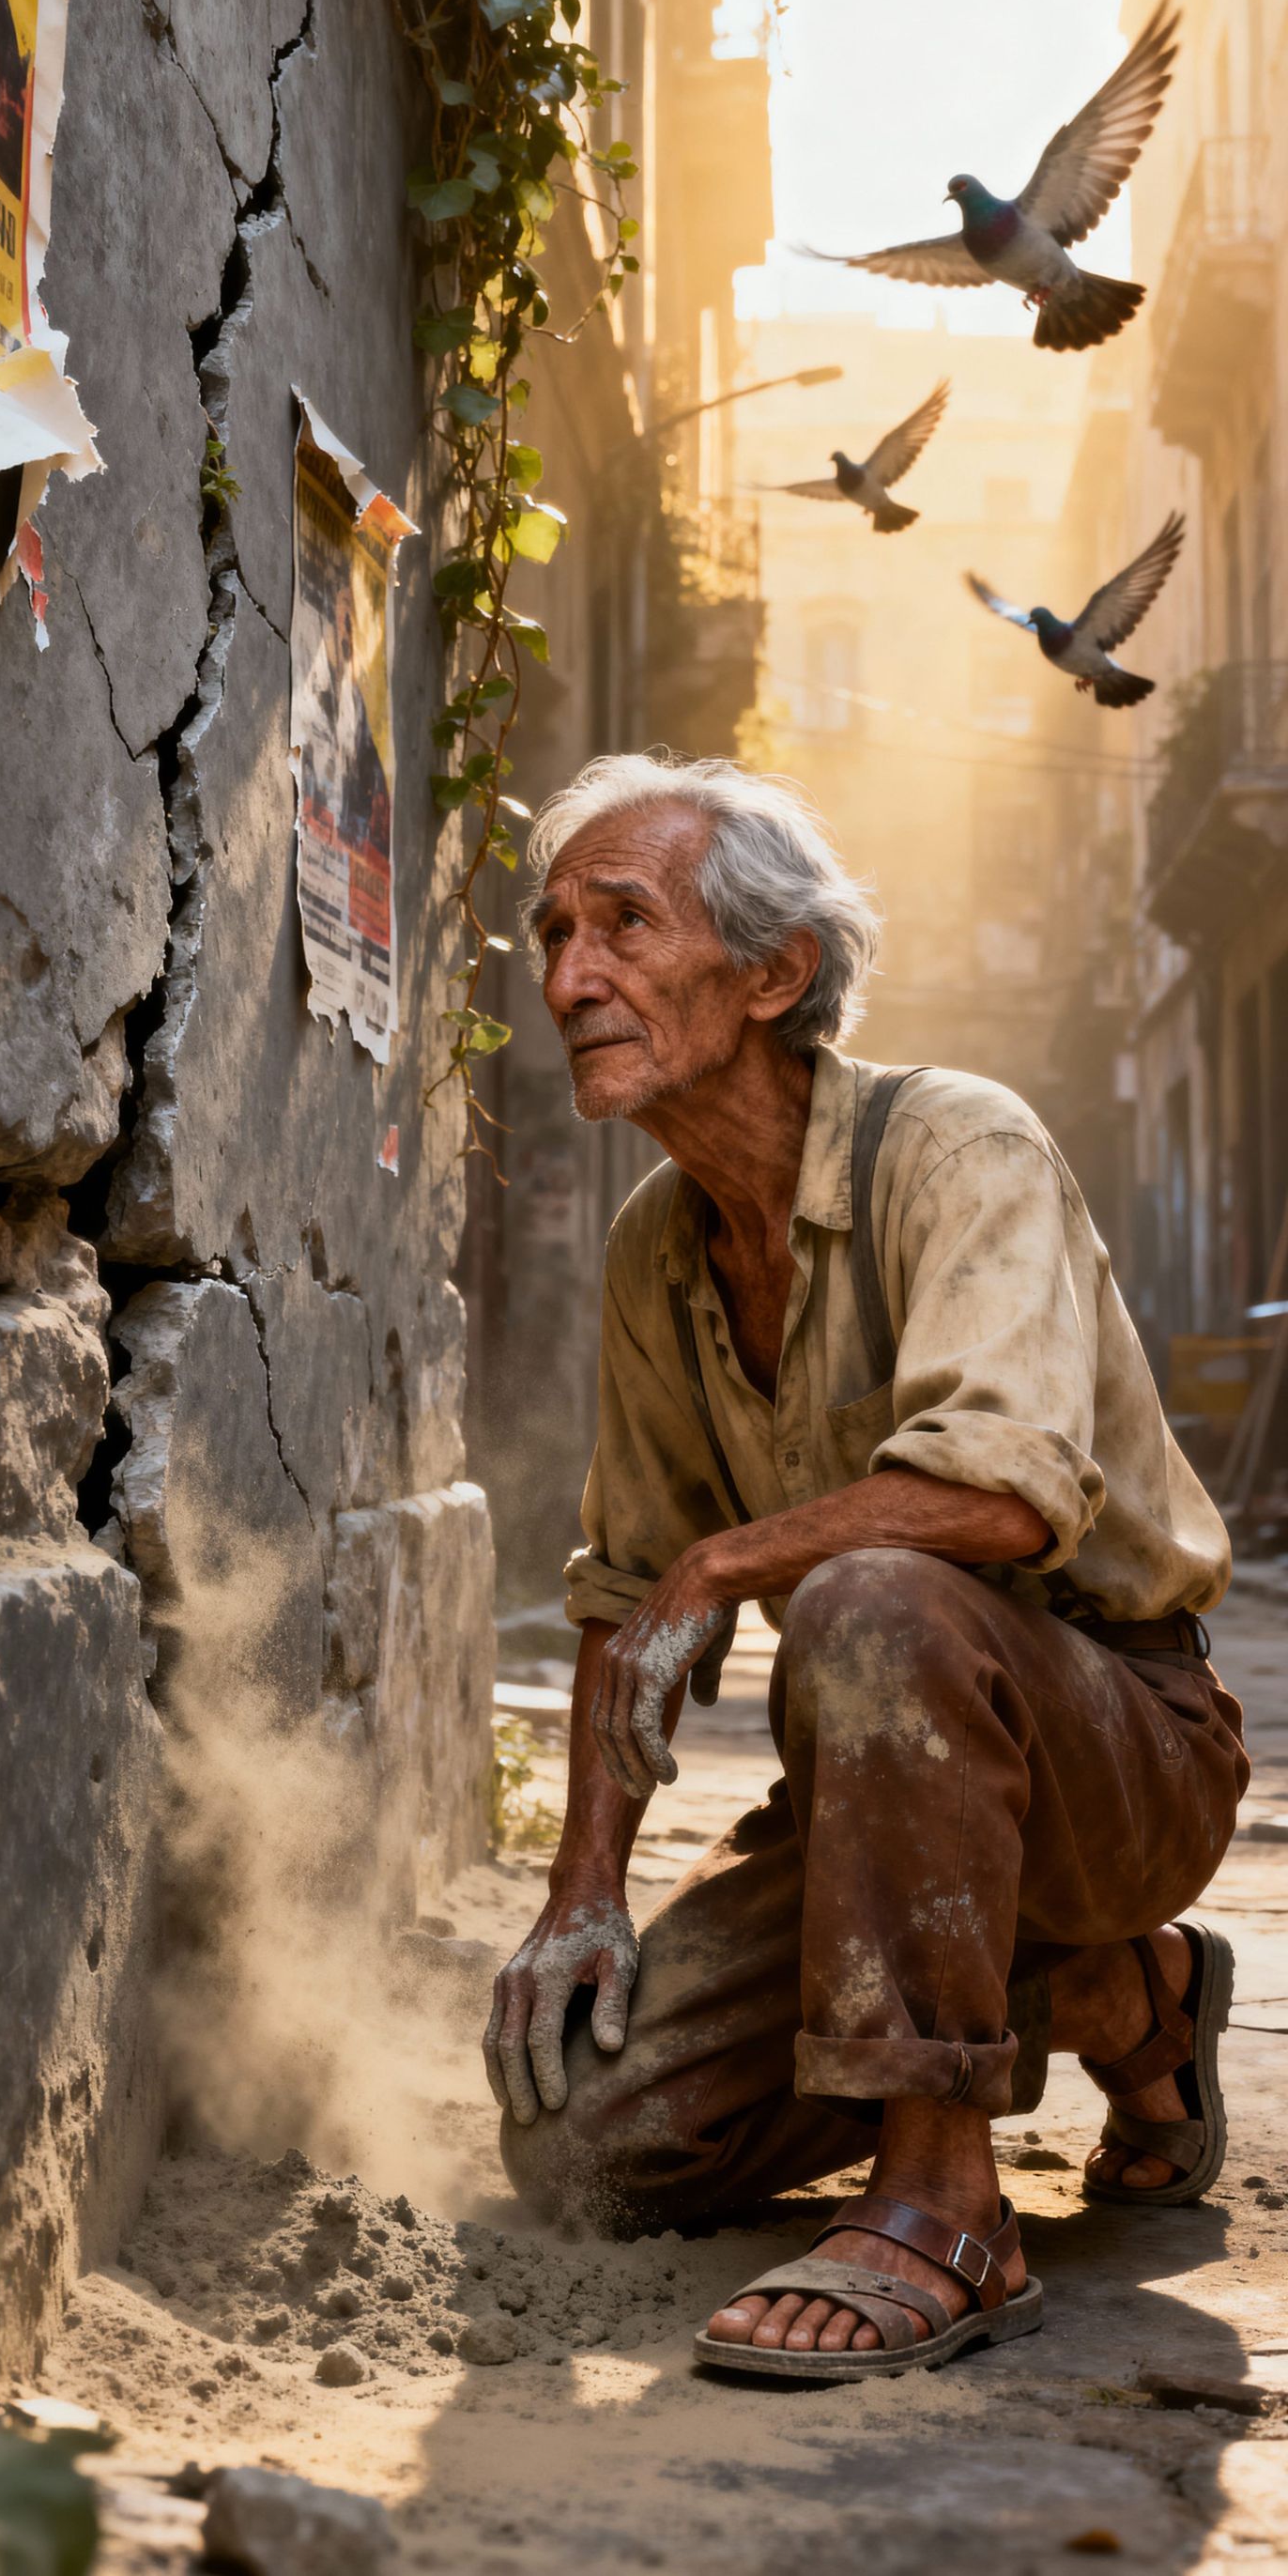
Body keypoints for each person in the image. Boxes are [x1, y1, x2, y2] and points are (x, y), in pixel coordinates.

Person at [485, 752, 1246, 2383]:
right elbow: (627, 1585)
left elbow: (1006, 1501)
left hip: (1132, 1749)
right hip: (879, 1804)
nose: (568, 979)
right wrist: (583, 1892)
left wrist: (734, 1561)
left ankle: (945, 2208)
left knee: (873, 1593)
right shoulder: (657, 1244)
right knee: (589, 2145)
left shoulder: (960, 1148)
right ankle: (1122, 2002)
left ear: (776, 973)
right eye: (553, 933)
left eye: (624, 924)